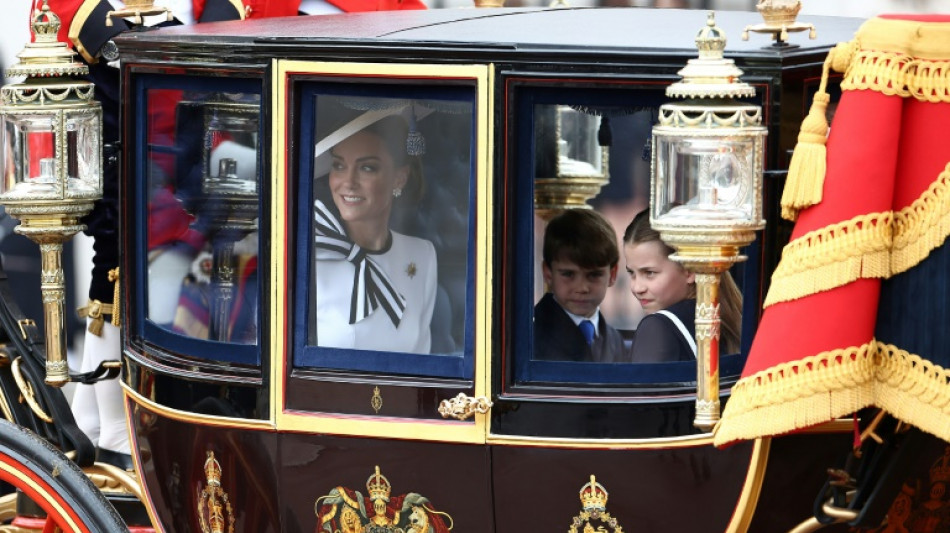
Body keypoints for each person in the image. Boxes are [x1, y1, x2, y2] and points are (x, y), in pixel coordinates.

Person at [313, 112, 437, 354]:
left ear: (399, 178)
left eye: (367, 168)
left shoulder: (422, 255)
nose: (348, 182)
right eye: (339, 165)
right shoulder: (309, 251)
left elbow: (422, 360)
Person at [623, 209, 741, 363]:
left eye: (649, 273)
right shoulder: (730, 321)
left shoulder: (657, 328)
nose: (637, 288)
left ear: (691, 270)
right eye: (631, 273)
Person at [533, 208, 626, 362]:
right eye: (568, 274)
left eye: (594, 275)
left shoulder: (615, 341)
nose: (582, 288)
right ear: (548, 273)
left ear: (613, 274)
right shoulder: (530, 336)